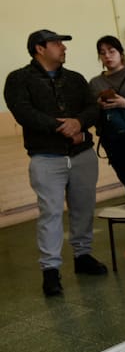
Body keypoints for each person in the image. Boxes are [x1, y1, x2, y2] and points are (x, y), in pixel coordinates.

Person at [4, 29, 108, 296]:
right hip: (46, 158)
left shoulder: (75, 79)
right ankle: (50, 271)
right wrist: (61, 127)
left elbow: (92, 108)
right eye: (57, 43)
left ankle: (83, 256)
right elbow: (24, 112)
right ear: (40, 48)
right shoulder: (19, 79)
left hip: (82, 156)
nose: (63, 48)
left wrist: (79, 123)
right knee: (50, 214)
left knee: (84, 208)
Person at [88, 35, 125, 202]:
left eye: (112, 51)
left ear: (121, 53)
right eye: (102, 53)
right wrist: (98, 105)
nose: (107, 56)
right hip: (112, 138)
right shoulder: (95, 82)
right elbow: (90, 113)